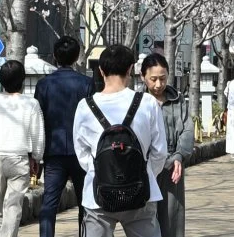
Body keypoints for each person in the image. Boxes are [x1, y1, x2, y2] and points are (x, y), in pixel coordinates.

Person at [72, 44, 168, 237]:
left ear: (101, 70)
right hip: (141, 193)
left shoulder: (85, 106)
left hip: (98, 194)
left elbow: (81, 153)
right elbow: (160, 152)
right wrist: (144, 172)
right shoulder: (147, 103)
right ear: (130, 69)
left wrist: (102, 170)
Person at [35, 36, 99, 237]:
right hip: (82, 152)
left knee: (49, 203)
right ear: (77, 56)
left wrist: (37, 154)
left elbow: (39, 119)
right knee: (85, 202)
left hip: (53, 152)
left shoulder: (44, 84)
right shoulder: (87, 83)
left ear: (55, 56)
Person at [0, 60, 43, 237]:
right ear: (22, 80)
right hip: (19, 158)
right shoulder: (31, 104)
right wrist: (36, 156)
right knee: (13, 205)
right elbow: (37, 134)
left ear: (1, 80)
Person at [142, 52, 195, 237]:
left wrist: (179, 156)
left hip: (172, 164)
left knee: (172, 218)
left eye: (162, 79)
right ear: (143, 77)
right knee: (145, 219)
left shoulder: (177, 99)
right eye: (153, 79)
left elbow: (188, 130)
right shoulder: (137, 102)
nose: (158, 85)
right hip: (146, 166)